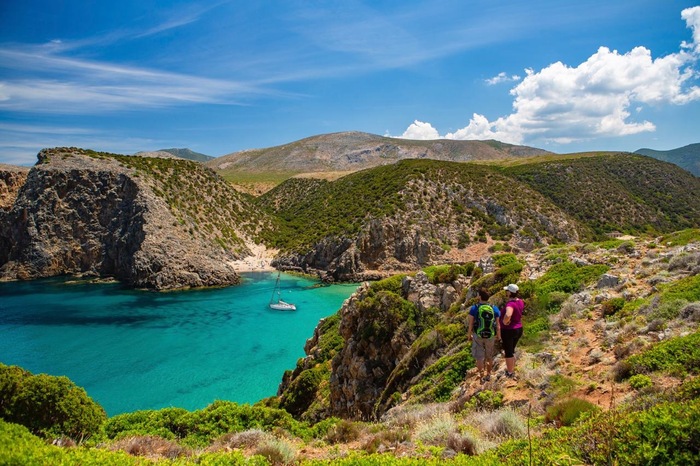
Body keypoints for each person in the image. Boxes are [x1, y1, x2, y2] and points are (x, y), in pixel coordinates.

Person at [467, 288, 501, 382]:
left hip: (478, 335)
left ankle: (481, 375)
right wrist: (499, 335)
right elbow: (498, 324)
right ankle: (489, 374)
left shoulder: (475, 308)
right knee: (489, 355)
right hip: (491, 335)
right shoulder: (494, 308)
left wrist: (469, 335)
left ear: (480, 296)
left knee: (479, 356)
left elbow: (470, 323)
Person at [500, 283, 524, 379]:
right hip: (519, 328)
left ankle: (510, 373)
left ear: (510, 293)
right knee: (512, 350)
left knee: (508, 352)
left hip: (509, 330)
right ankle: (512, 368)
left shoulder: (510, 304)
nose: (506, 292)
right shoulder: (520, 301)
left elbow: (508, 314)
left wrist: (505, 321)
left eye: (507, 291)